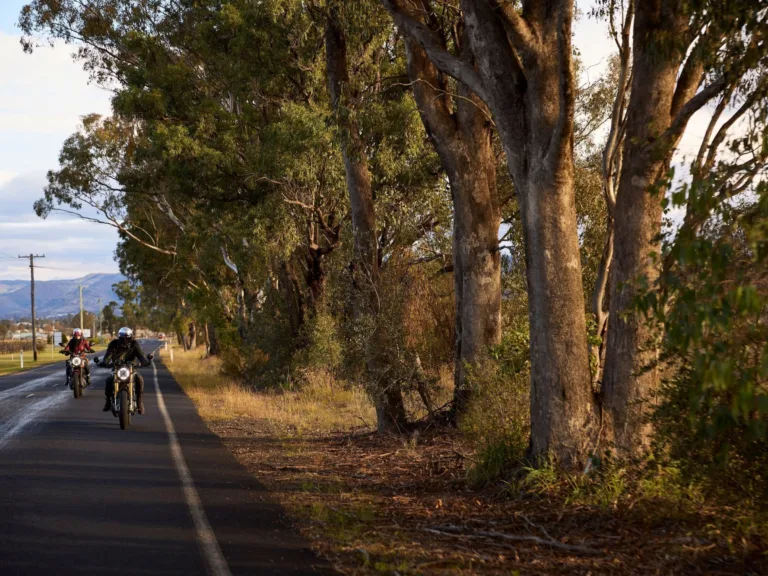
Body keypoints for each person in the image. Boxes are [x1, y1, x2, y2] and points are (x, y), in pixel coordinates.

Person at [97, 327, 152, 414]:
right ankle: (108, 401)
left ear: (130, 337)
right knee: (109, 380)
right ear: (119, 337)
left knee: (139, 379)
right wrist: (104, 362)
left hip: (130, 368)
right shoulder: (114, 344)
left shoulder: (134, 344)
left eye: (127, 337)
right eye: (123, 337)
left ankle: (139, 401)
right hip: (117, 368)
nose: (125, 339)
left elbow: (141, 354)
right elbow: (108, 355)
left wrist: (145, 362)